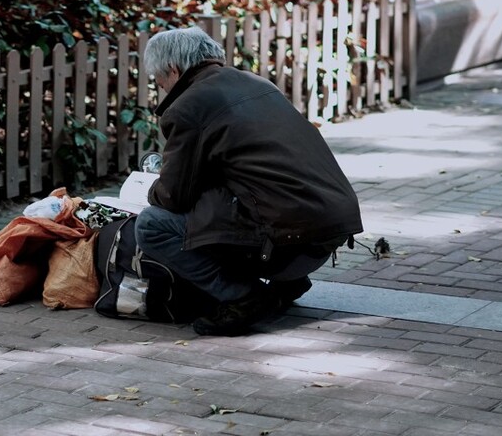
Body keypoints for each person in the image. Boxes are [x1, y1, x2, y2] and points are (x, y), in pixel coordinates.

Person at [135, 26, 364, 336]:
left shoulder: (188, 105)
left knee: (151, 224)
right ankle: (285, 285)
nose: (161, 88)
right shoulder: (257, 83)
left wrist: (150, 188)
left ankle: (244, 297)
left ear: (173, 70)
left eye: (160, 81)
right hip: (328, 228)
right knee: (224, 199)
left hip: (286, 242)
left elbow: (174, 195)